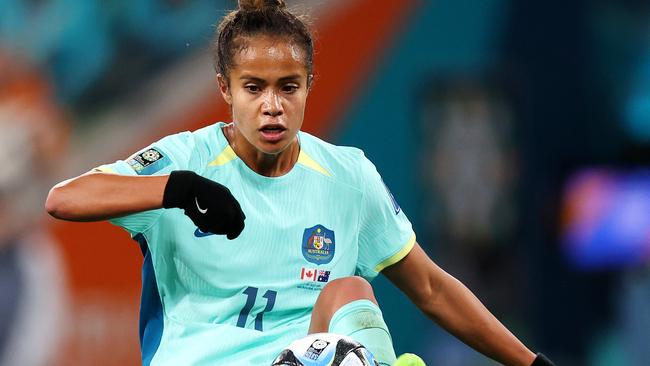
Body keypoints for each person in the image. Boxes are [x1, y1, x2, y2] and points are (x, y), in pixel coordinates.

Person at [45, 1, 556, 365]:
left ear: (310, 85)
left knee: (350, 289)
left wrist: (530, 364)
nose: (273, 105)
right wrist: (180, 189)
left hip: (299, 360)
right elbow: (64, 199)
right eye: (254, 88)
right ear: (225, 89)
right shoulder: (187, 157)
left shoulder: (348, 175)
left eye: (288, 87)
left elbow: (430, 287)